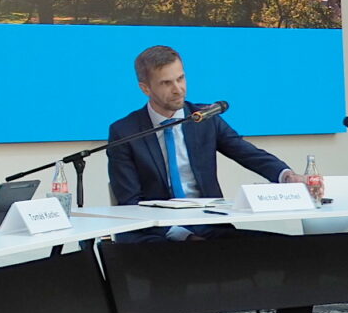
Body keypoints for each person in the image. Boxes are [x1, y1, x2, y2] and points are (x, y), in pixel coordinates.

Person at [108, 44, 299, 242]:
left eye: (180, 78)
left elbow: (248, 154)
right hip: (155, 233)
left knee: (282, 246)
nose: (178, 89)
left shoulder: (204, 118)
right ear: (145, 88)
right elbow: (130, 202)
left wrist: (287, 176)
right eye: (166, 83)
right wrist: (184, 237)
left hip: (208, 226)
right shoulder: (124, 132)